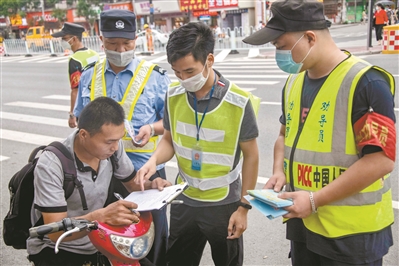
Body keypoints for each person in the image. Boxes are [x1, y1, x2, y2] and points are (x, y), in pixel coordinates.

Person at [243, 0, 396, 265]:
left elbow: (381, 160)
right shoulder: (294, 81)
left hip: (351, 239)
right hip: (304, 229)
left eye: (281, 47)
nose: (279, 55)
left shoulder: (366, 83)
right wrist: (279, 170)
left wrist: (315, 199)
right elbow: (283, 135)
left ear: (310, 37)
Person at [137, 22, 260, 266]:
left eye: (190, 72)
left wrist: (244, 207)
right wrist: (153, 160)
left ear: (209, 60)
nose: (183, 79)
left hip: (223, 203)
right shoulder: (173, 95)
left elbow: (252, 157)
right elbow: (169, 140)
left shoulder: (238, 102)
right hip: (184, 199)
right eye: (177, 72)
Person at [74, 9, 170, 266]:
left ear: (135, 39)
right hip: (99, 174)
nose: (120, 49)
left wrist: (152, 127)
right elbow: (78, 122)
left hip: (144, 173)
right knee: (105, 240)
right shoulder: (89, 74)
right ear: (101, 39)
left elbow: (170, 124)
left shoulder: (154, 76)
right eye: (113, 43)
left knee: (149, 241)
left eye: (126, 43)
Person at [27, 97, 171, 266]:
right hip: (59, 248)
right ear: (83, 135)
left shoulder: (112, 151)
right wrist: (99, 217)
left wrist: (151, 185)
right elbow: (56, 232)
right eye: (109, 142)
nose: (116, 147)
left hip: (102, 241)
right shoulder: (52, 164)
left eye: (119, 139)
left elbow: (131, 183)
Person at [51, 22, 100, 128]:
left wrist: (72, 115)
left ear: (73, 39)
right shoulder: (94, 54)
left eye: (64, 38)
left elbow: (75, 90)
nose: (62, 41)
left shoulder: (75, 59)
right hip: (99, 102)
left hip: (85, 107)